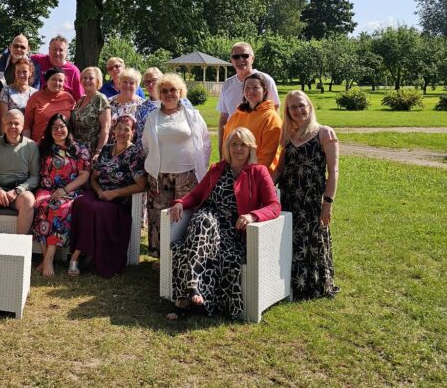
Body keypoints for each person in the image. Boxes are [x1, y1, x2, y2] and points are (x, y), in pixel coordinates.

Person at [167, 128, 280, 319]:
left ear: (251, 148)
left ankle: (187, 300)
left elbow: (274, 206)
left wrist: (252, 216)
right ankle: (193, 286)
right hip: (206, 220)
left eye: (243, 144)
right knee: (204, 220)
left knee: (203, 249)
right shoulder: (217, 169)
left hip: (232, 230)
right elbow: (196, 195)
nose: (238, 149)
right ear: (227, 147)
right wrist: (180, 203)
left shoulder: (259, 172)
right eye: (234, 144)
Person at [273, 90, 340, 299]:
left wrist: (327, 204)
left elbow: (334, 171)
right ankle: (290, 286)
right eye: (293, 107)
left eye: (301, 105)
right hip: (289, 199)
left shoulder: (324, 133)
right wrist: (262, 188)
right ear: (287, 111)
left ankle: (313, 285)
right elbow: (280, 169)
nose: (298, 110)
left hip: (311, 201)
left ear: (309, 106)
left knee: (312, 241)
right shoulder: (289, 136)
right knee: (291, 240)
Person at [69, 115, 146, 278]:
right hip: (100, 192)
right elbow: (93, 178)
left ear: (133, 132)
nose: (122, 133)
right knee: (81, 202)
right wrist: (99, 191)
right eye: (119, 128)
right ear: (114, 131)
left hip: (119, 200)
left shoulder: (135, 154)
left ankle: (76, 257)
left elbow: (141, 185)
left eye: (127, 129)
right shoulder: (106, 149)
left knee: (97, 209)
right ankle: (86, 251)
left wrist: (114, 193)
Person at [142, 73, 211, 255]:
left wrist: (200, 165)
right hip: (160, 176)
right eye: (164, 91)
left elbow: (205, 143)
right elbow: (146, 144)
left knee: (184, 215)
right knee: (159, 215)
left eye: (173, 90)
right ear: (159, 94)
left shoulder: (193, 115)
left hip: (187, 175)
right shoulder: (153, 117)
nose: (169, 94)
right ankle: (161, 256)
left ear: (180, 92)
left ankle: (184, 254)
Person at [32, 113, 91, 278]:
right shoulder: (43, 146)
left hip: (69, 190)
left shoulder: (79, 149)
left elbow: (84, 175)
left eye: (62, 126)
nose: (58, 130)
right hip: (46, 189)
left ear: (68, 128)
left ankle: (48, 258)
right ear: (50, 130)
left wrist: (65, 190)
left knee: (57, 207)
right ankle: (45, 257)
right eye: (55, 127)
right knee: (40, 206)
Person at [0, 109, 40, 233]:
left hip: (19, 192)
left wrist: (18, 190)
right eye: (9, 123)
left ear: (23, 126)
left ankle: (19, 242)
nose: (12, 126)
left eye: (16, 123)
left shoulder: (32, 146)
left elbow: (35, 177)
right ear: (4, 124)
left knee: (29, 200)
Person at [217, 41, 279, 155]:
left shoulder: (266, 80)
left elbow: (275, 111)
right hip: (234, 148)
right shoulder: (227, 84)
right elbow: (223, 118)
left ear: (252, 58)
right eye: (236, 57)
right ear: (231, 60)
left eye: (245, 55)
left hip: (258, 147)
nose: (240, 59)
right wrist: (221, 148)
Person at [222, 72, 282, 173]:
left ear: (264, 91)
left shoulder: (271, 117)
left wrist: (252, 175)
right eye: (247, 88)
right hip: (233, 173)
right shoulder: (235, 116)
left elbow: (268, 154)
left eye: (255, 87)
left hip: (259, 175)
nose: (250, 91)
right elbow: (226, 146)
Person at [23, 68, 76, 143]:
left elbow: (73, 124)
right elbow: (27, 125)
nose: (57, 83)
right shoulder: (35, 97)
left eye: (60, 80)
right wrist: (27, 145)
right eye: (54, 79)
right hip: (39, 144)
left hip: (62, 145)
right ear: (47, 80)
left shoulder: (68, 97)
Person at [69, 65, 111, 156]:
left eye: (91, 78)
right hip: (76, 149)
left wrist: (98, 152)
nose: (87, 80)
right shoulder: (81, 99)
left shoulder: (100, 99)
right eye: (84, 78)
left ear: (97, 81)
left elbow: (105, 128)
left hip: (91, 151)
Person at [0, 57, 37, 126]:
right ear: (15, 73)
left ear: (30, 73)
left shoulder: (35, 94)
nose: (21, 75)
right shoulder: (6, 91)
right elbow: (3, 120)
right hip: (10, 130)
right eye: (18, 71)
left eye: (24, 71)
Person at [109, 67, 143, 133]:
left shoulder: (143, 105)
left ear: (137, 86)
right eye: (125, 82)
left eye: (131, 83)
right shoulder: (109, 102)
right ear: (119, 83)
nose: (127, 85)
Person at [135, 67, 163, 145]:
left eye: (154, 80)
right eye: (147, 82)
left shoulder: (172, 103)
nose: (150, 84)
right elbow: (140, 137)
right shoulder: (142, 108)